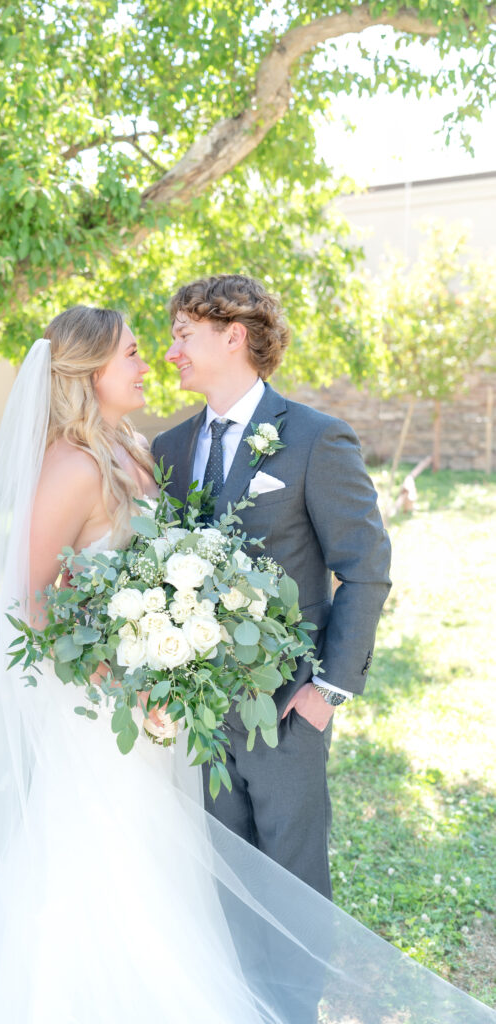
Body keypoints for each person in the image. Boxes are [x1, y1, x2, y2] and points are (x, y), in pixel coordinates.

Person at [0, 305, 494, 1024]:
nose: (152, 363)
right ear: (87, 374)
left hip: (176, 708)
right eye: (135, 353)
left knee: (188, 872)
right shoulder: (74, 463)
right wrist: (115, 678)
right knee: (107, 876)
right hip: (108, 716)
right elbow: (29, 598)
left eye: (163, 343)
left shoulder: (139, 451)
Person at [153, 273, 392, 902]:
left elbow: (365, 564)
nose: (171, 351)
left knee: (292, 880)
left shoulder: (317, 438)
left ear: (232, 336)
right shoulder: (169, 449)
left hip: (287, 703)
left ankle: (291, 1006)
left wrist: (328, 689)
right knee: (222, 877)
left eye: (183, 335)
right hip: (198, 706)